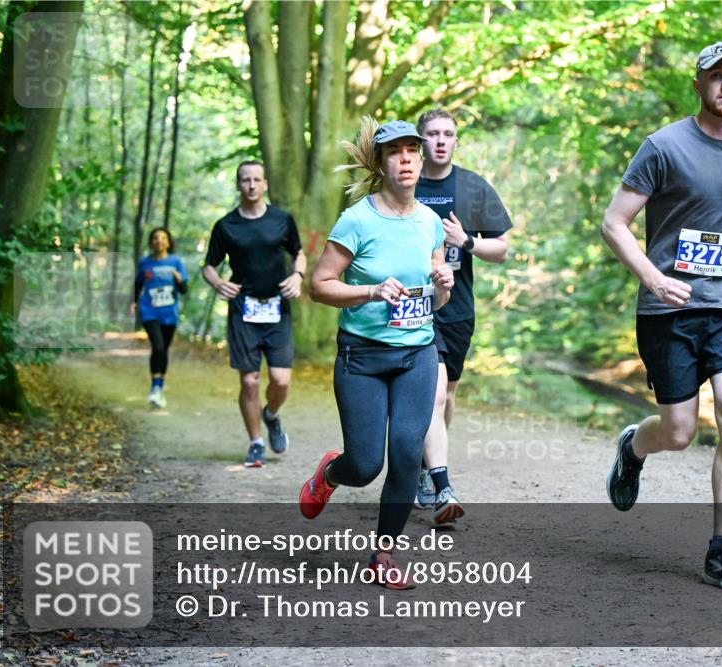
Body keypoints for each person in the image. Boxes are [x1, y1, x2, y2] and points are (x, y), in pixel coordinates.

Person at [601, 41, 722, 591]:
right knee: (680, 430)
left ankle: (721, 551)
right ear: (699, 85)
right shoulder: (663, 146)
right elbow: (614, 223)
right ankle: (633, 446)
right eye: (717, 77)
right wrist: (654, 277)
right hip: (670, 308)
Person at [300, 118, 454, 589]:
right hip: (362, 358)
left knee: (407, 454)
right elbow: (319, 286)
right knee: (365, 465)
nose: (406, 159)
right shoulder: (357, 220)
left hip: (417, 353)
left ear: (421, 157)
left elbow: (433, 295)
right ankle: (330, 470)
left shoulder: (430, 222)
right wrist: (370, 292)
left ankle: (383, 554)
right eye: (395, 152)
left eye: (413, 149)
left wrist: (442, 285)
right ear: (380, 162)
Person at [413, 109, 513, 524]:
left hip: (457, 308)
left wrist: (466, 241)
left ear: (456, 141)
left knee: (447, 396)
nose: (440, 140)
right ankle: (439, 482)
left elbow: (503, 249)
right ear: (420, 141)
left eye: (448, 134)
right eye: (433, 133)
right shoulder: (404, 182)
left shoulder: (473, 187)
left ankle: (426, 460)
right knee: (433, 394)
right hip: (412, 305)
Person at [202, 160, 306, 468]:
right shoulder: (226, 226)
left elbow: (298, 252)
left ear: (265, 185)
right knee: (249, 381)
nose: (250, 185)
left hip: (277, 308)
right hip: (243, 309)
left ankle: (271, 414)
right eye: (245, 180)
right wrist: (219, 283)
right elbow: (208, 265)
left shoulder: (282, 220)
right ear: (238, 185)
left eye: (256, 179)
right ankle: (256, 442)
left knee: (281, 380)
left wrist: (298, 275)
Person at [132, 227, 188, 409]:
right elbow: (138, 284)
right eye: (155, 238)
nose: (159, 241)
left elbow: (184, 290)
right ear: (151, 242)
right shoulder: (145, 263)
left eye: (163, 238)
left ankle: (159, 388)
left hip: (169, 313)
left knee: (163, 350)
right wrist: (133, 302)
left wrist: (179, 280)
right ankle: (155, 389)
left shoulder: (176, 262)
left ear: (169, 242)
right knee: (157, 345)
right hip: (149, 311)